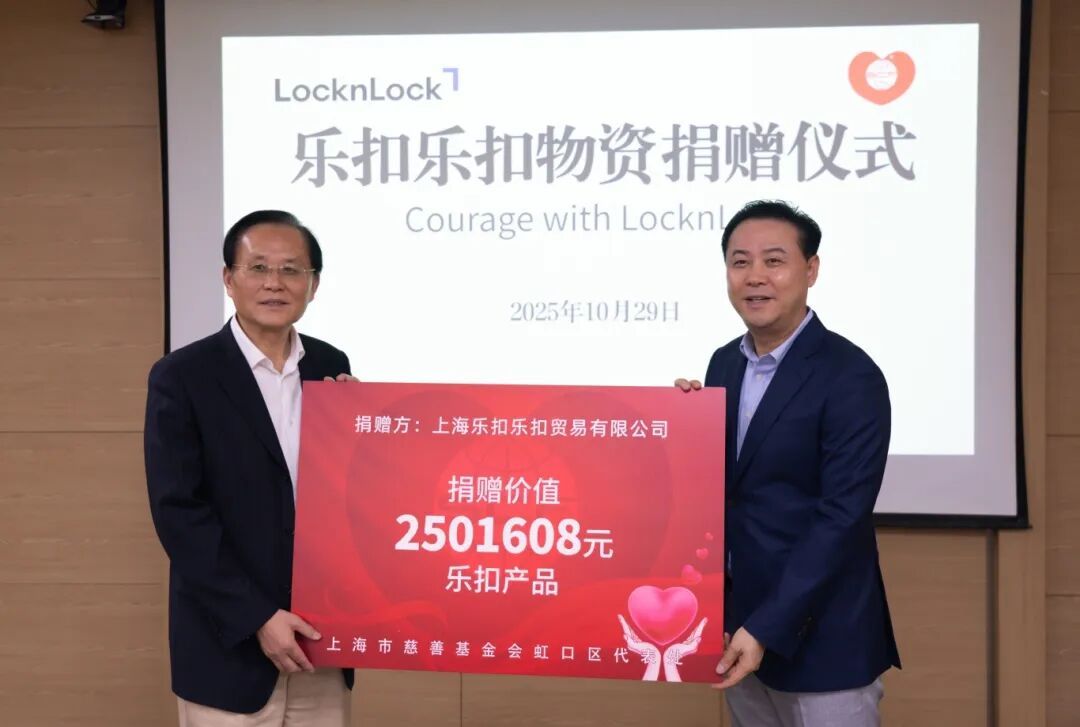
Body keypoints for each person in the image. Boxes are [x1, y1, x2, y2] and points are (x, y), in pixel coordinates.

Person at [676, 200, 900, 726]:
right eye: (740, 262)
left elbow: (841, 518)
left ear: (811, 270)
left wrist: (766, 627)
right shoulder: (723, 363)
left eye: (774, 261)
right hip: (737, 628)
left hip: (822, 637)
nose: (755, 277)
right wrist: (680, 424)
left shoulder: (851, 375)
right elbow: (727, 489)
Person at [144, 210, 355, 726]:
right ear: (228, 278)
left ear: (314, 285)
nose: (274, 283)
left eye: (291, 270)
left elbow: (345, 499)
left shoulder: (331, 366)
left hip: (320, 644)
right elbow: (179, 514)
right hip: (226, 647)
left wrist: (363, 438)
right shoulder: (182, 375)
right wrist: (257, 617)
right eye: (258, 267)